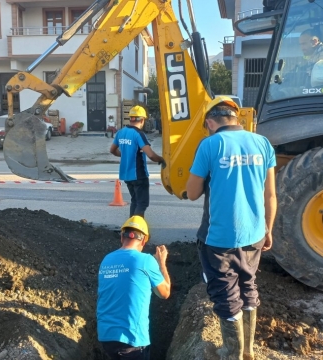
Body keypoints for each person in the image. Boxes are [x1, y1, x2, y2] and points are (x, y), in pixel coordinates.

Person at [186, 96, 277, 360]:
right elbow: (270, 195)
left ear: (209, 122)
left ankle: (232, 352)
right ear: (236, 118)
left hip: (219, 238)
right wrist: (268, 229)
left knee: (225, 294)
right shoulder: (262, 143)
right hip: (255, 234)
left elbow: (192, 193)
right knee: (248, 285)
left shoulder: (210, 144)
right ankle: (247, 350)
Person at [96, 216, 172, 360]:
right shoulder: (146, 260)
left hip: (106, 336)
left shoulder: (106, 260)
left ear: (121, 236)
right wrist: (161, 263)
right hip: (131, 339)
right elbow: (164, 293)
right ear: (144, 240)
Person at [110, 106, 165, 217]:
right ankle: (136, 230)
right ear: (142, 120)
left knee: (135, 201)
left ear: (131, 118)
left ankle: (131, 229)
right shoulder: (138, 134)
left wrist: (125, 154)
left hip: (126, 175)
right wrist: (161, 159)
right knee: (142, 203)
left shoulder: (121, 132)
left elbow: (112, 150)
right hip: (139, 175)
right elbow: (150, 154)